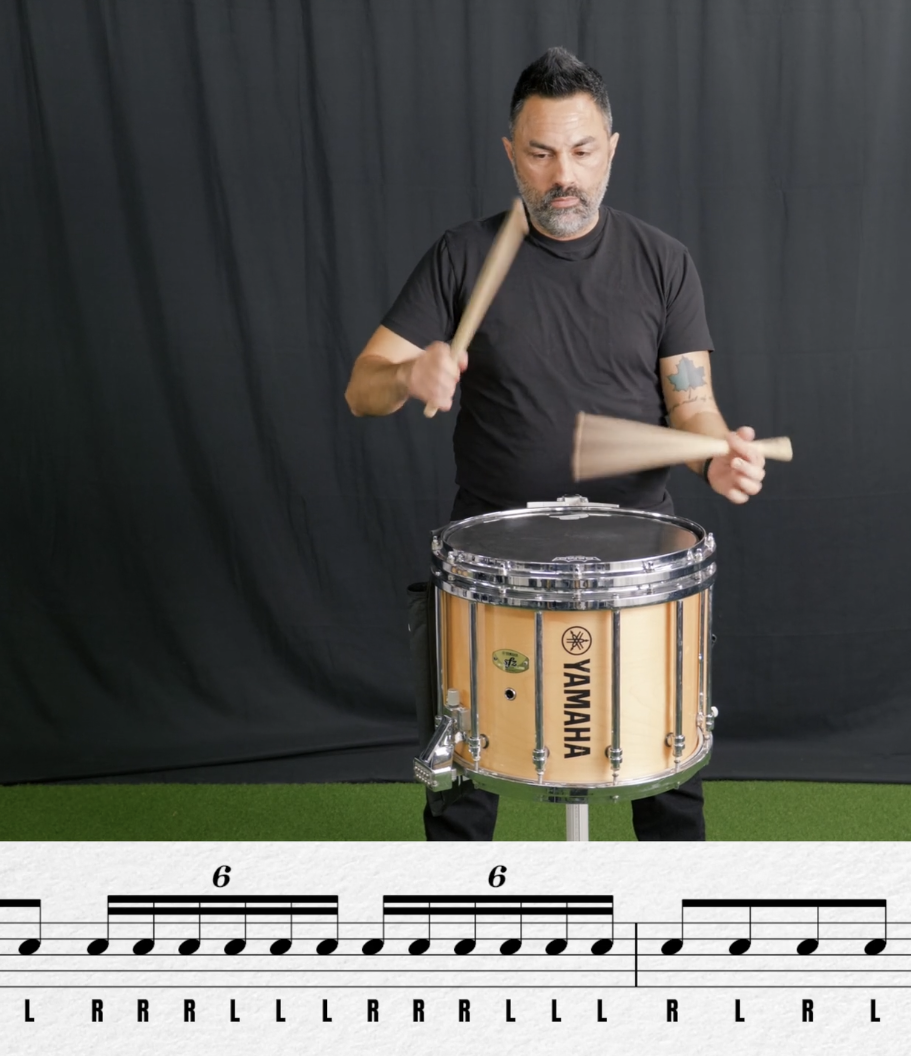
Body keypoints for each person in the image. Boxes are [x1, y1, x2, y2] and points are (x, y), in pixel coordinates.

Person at [345, 47, 766, 841]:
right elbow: (362, 387)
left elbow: (693, 407)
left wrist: (716, 454)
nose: (562, 175)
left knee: (666, 775)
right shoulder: (463, 256)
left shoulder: (663, 262)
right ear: (512, 154)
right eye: (540, 154)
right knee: (463, 781)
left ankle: (676, 913)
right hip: (491, 562)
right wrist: (408, 375)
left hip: (637, 564)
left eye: (581, 150)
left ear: (612, 149)